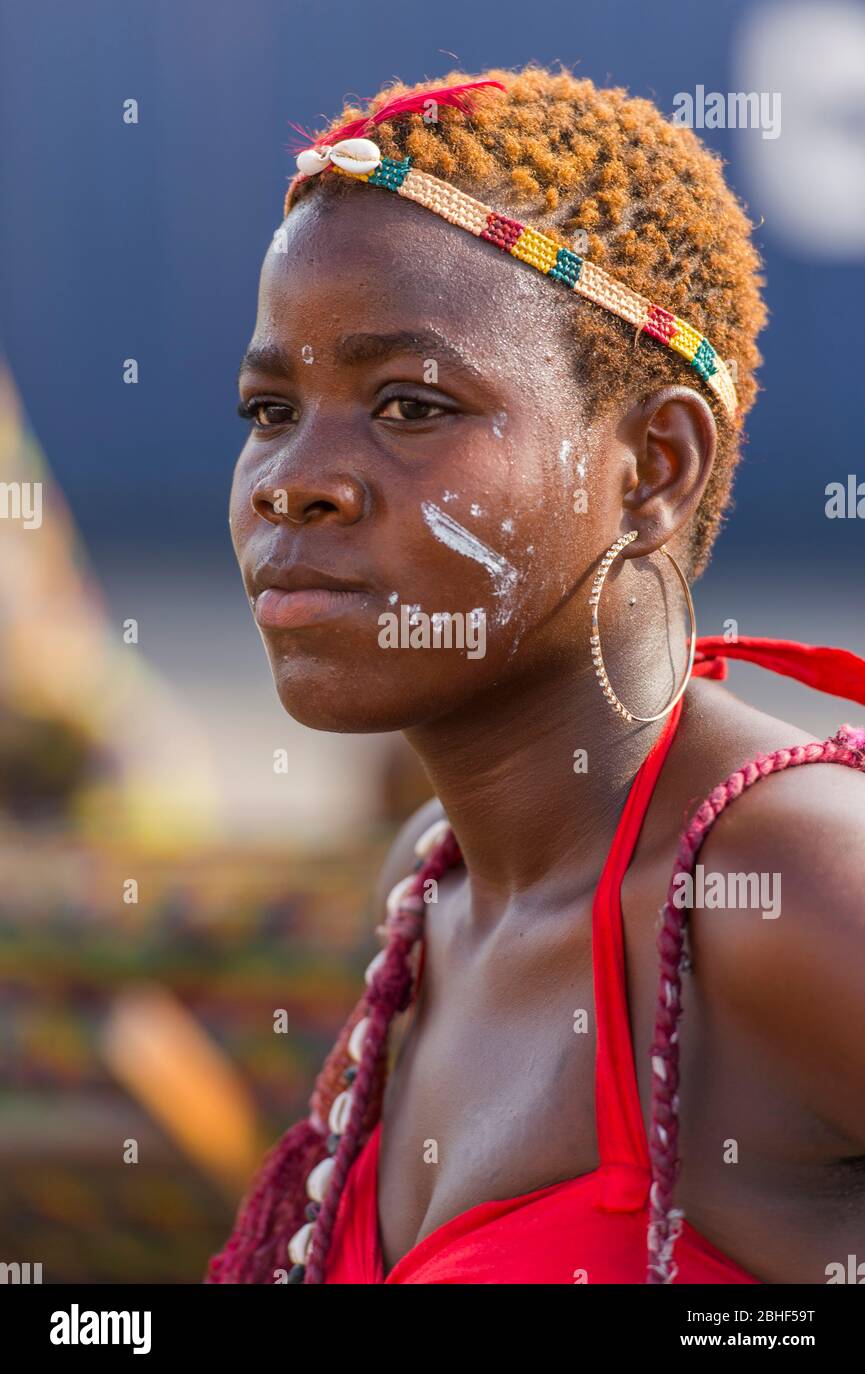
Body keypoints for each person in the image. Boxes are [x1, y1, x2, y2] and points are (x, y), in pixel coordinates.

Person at [208, 66, 865, 1285]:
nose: (292, 478)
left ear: (653, 466)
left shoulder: (789, 889)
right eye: (268, 406)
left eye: (409, 404)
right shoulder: (432, 891)